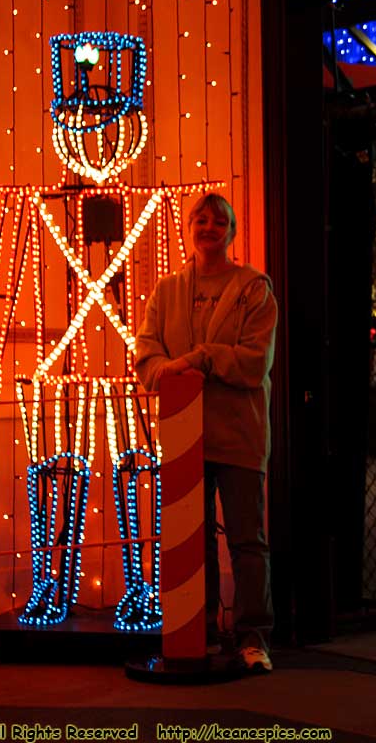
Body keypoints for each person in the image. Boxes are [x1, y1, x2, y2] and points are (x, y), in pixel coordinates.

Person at [134, 192, 278, 673]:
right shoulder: (166, 290)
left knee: (246, 541)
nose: (209, 227)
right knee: (189, 544)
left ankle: (253, 637)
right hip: (182, 439)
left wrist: (199, 359)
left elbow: (254, 363)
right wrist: (166, 372)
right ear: (188, 228)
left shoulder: (253, 288)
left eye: (220, 221)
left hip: (238, 433)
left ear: (232, 232)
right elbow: (147, 357)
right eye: (201, 220)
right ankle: (201, 633)